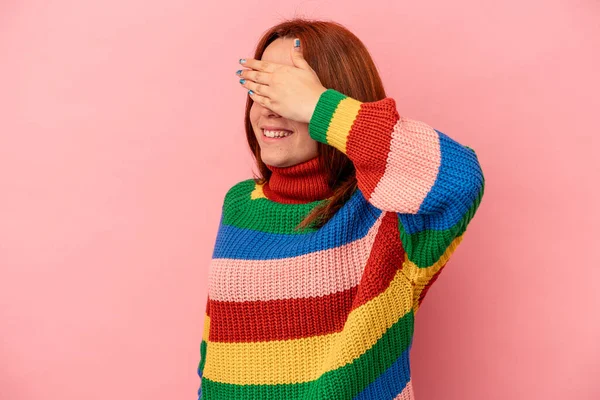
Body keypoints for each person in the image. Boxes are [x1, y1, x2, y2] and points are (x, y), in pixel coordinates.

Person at [196, 18, 485, 400]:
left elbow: (462, 178)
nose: (269, 109)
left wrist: (318, 107)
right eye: (261, 89)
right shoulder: (240, 204)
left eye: (288, 91)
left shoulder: (388, 217)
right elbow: (215, 356)